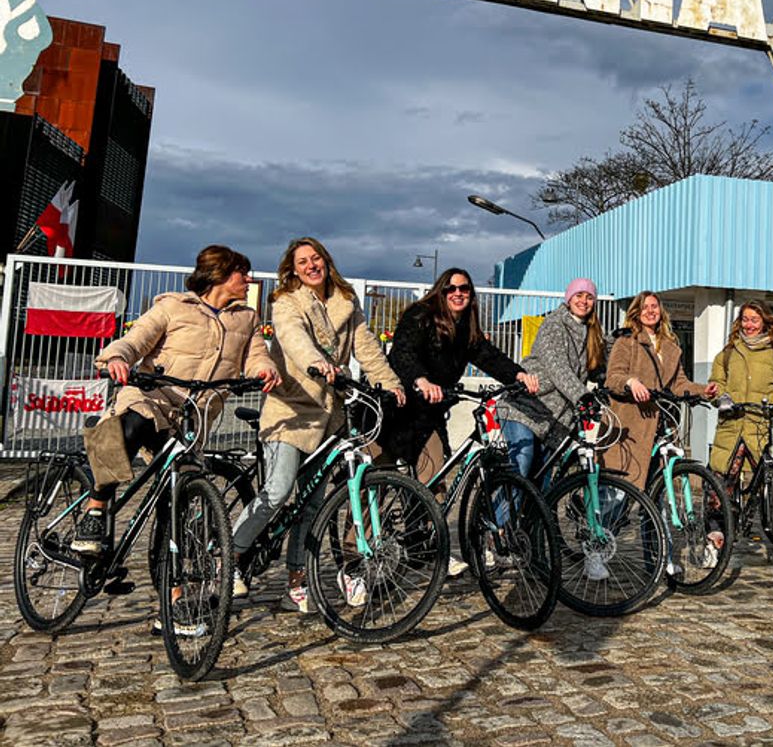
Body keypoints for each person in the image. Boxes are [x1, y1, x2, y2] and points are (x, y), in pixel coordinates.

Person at [72, 245, 281, 561]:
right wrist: (117, 357)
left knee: (181, 490)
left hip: (192, 417)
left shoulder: (247, 318)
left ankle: (169, 578)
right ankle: (96, 509)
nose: (248, 279)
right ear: (221, 274)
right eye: (242, 273)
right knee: (127, 427)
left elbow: (256, 356)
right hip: (151, 397)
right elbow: (135, 340)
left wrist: (264, 369)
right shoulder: (173, 306)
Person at [230, 237, 404, 613]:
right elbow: (293, 337)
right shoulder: (286, 301)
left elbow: (367, 347)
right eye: (303, 262)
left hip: (328, 416)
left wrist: (390, 382)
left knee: (312, 505)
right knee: (278, 491)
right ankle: (230, 558)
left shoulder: (347, 301)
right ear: (293, 269)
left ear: (326, 261)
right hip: (290, 412)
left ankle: (296, 581)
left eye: (316, 258)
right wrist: (316, 363)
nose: (311, 266)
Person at [385, 267, 539, 574]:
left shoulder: (466, 328)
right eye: (451, 289)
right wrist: (420, 380)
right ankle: (355, 561)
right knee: (376, 482)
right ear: (441, 292)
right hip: (397, 409)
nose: (458, 293)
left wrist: (518, 375)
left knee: (434, 479)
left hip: (430, 414)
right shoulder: (420, 316)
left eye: (464, 289)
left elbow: (488, 356)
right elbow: (403, 353)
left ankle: (429, 547)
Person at [707, 299, 773, 584]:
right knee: (720, 488)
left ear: (765, 322)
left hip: (763, 430)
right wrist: (722, 397)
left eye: (755, 319)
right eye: (745, 319)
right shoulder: (727, 354)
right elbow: (717, 383)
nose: (749, 325)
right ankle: (714, 541)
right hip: (732, 428)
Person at [604, 291, 719, 489]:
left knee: (657, 487)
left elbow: (678, 384)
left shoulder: (670, 345)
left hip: (661, 427)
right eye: (645, 307)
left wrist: (703, 390)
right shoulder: (627, 341)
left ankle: (655, 510)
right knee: (621, 490)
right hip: (631, 427)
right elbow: (613, 378)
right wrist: (631, 382)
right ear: (636, 312)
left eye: (654, 306)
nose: (650, 311)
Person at [501, 277, 606, 484]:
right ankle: (500, 507)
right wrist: (583, 396)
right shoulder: (554, 324)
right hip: (526, 408)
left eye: (589, 297)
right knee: (522, 468)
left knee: (542, 485)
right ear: (569, 299)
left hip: (555, 420)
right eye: (579, 295)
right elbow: (558, 368)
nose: (584, 301)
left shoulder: (591, 332)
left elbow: (597, 370)